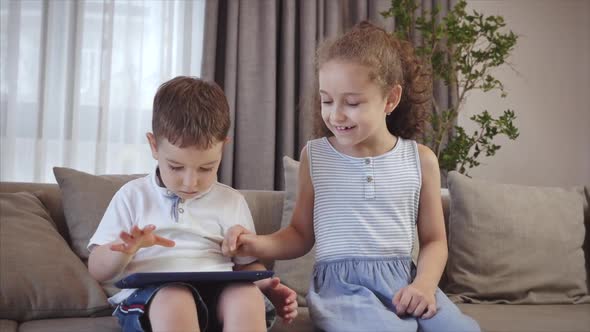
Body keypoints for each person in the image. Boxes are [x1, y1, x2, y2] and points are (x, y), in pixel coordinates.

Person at [222, 21, 480, 332]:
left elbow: (435, 241)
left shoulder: (420, 159)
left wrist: (424, 286)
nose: (335, 115)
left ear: (390, 99)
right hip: (343, 291)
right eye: (327, 100)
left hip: (408, 283)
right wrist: (255, 245)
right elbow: (300, 234)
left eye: (352, 103)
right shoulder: (315, 156)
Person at [87, 76, 298, 332]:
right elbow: (97, 268)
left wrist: (267, 287)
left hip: (220, 293)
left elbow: (247, 264)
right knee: (175, 298)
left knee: (246, 295)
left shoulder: (232, 201)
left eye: (206, 168)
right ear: (154, 145)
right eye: (175, 167)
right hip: (154, 298)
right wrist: (125, 249)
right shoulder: (132, 196)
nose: (190, 182)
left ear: (223, 148)